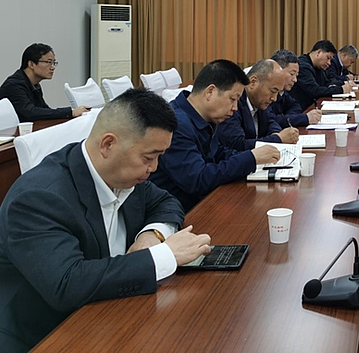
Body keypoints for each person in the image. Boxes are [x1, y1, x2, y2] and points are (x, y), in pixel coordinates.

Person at [0, 89, 211, 353]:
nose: (155, 168)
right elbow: (67, 284)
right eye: (148, 158)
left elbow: (166, 202)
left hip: (110, 311)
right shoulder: (38, 198)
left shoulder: (124, 175)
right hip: (47, 334)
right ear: (108, 145)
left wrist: (152, 235)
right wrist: (164, 255)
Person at [148, 60, 281, 212]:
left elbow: (217, 153)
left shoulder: (205, 117)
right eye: (232, 99)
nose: (235, 108)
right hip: (181, 212)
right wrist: (251, 158)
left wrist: (254, 157)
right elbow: (198, 180)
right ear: (210, 92)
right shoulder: (176, 124)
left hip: (205, 202)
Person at [216, 59, 298, 150]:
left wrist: (275, 133)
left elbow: (271, 121)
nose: (274, 98)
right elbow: (237, 144)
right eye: (273, 91)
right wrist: (278, 139)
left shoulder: (260, 101)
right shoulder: (233, 103)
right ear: (253, 82)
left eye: (277, 93)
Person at [0, 43, 89, 121]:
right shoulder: (14, 85)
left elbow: (44, 110)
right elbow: (30, 113)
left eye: (54, 63)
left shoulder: (34, 84)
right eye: (48, 62)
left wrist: (70, 113)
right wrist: (70, 112)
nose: (52, 67)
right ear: (31, 64)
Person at [290, 40, 351, 110]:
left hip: (313, 107)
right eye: (328, 58)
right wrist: (341, 89)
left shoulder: (318, 66)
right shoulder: (303, 66)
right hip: (302, 110)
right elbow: (315, 91)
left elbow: (327, 82)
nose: (329, 63)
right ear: (319, 52)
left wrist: (343, 83)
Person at [268, 49, 323, 128]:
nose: (295, 80)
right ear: (278, 70)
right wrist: (305, 118)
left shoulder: (283, 92)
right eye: (292, 74)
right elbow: (271, 120)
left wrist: (289, 118)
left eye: (296, 75)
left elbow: (295, 106)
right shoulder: (266, 93)